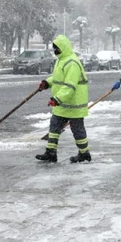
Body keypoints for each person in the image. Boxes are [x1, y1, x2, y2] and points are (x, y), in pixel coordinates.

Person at [35, 34, 91, 163]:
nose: (55, 51)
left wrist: (57, 99)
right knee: (54, 127)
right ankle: (50, 153)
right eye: (54, 48)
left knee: (77, 130)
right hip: (62, 105)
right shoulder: (62, 60)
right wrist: (47, 83)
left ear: (64, 48)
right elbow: (58, 79)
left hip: (73, 104)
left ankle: (84, 153)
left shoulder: (72, 62)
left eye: (58, 48)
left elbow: (69, 85)